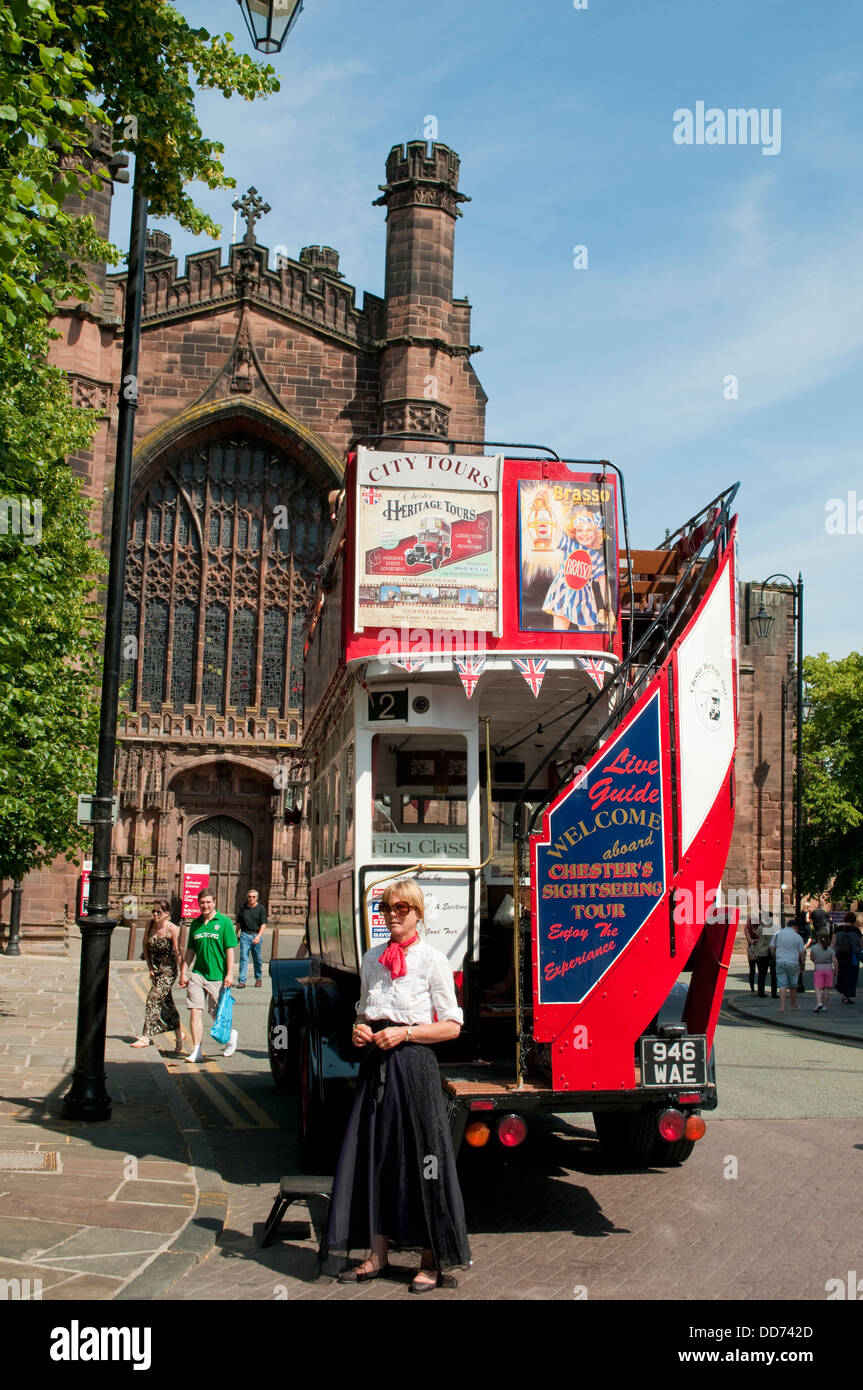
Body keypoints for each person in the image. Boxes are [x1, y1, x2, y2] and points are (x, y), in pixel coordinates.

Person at [320, 878, 471, 1293]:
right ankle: (376, 1256)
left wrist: (405, 1034)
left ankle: (430, 1259)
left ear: (418, 914)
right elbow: (365, 1012)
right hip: (376, 1067)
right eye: (387, 908)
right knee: (376, 1155)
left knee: (423, 1159)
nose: (392, 915)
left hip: (414, 1068)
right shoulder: (372, 960)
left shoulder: (433, 961)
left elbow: (452, 1026)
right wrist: (359, 1030)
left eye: (401, 909)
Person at [179, 890, 238, 1062]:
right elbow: (190, 951)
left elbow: (230, 950)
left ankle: (230, 1035)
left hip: (217, 975)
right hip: (198, 974)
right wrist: (184, 972)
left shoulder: (225, 922)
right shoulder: (196, 924)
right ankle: (197, 1050)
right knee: (195, 1011)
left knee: (216, 1014)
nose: (205, 905)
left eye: (208, 902)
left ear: (214, 902)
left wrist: (229, 974)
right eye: (202, 902)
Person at [542, 507, 612, 632]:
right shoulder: (570, 545)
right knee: (559, 635)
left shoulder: (597, 557)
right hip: (563, 594)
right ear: (574, 532)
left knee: (588, 639)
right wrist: (548, 508)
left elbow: (603, 583)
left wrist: (609, 607)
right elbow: (556, 530)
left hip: (583, 599)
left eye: (589, 530)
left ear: (596, 533)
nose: (584, 534)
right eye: (580, 530)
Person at [130, 901, 183, 1052]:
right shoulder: (150, 925)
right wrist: (149, 967)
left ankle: (145, 1037)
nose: (155, 914)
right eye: (153, 911)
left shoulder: (172, 929)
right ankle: (179, 1034)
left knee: (153, 997)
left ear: (167, 914)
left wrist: (183, 974)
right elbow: (145, 946)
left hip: (169, 970)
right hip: (156, 970)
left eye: (159, 912)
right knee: (167, 1004)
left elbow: (178, 952)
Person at [770, 917, 806, 1012]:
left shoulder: (777, 934)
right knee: (793, 985)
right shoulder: (797, 937)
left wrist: (775, 956)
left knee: (782, 985)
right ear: (794, 927)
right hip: (793, 962)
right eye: (797, 928)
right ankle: (793, 1005)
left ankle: (782, 1007)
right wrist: (802, 964)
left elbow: (772, 947)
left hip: (780, 961)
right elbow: (802, 953)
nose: (798, 930)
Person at [236, 888, 267, 988]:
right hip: (245, 934)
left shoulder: (261, 909)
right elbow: (239, 923)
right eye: (249, 897)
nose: (251, 899)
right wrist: (235, 934)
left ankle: (258, 978)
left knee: (257, 958)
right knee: (244, 958)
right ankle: (242, 980)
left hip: (256, 935)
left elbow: (263, 924)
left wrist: (258, 937)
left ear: (257, 898)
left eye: (253, 897)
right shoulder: (243, 908)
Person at [831, 911, 862, 1004]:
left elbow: (833, 943)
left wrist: (831, 954)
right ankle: (847, 995)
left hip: (840, 954)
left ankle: (842, 989)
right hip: (853, 956)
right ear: (854, 920)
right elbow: (861, 944)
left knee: (841, 974)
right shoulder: (856, 930)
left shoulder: (838, 929)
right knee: (851, 976)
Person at [808, 930, 837, 1012]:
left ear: (818, 938)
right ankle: (824, 1005)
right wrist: (836, 970)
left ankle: (819, 1002)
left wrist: (816, 962)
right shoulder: (830, 949)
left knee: (818, 987)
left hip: (818, 968)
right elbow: (834, 960)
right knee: (826, 988)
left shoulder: (814, 948)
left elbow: (812, 958)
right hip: (828, 968)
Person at [754, 917, 778, 998]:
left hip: (762, 953)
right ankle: (774, 993)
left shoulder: (760, 928)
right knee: (774, 975)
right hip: (772, 953)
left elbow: (757, 935)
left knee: (762, 974)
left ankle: (761, 992)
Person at [744, 917, 760, 993]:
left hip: (760, 951)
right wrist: (757, 941)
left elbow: (763, 939)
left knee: (761, 971)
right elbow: (750, 941)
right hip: (752, 951)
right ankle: (752, 989)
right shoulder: (747, 928)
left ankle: (759, 989)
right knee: (752, 970)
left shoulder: (759, 928)